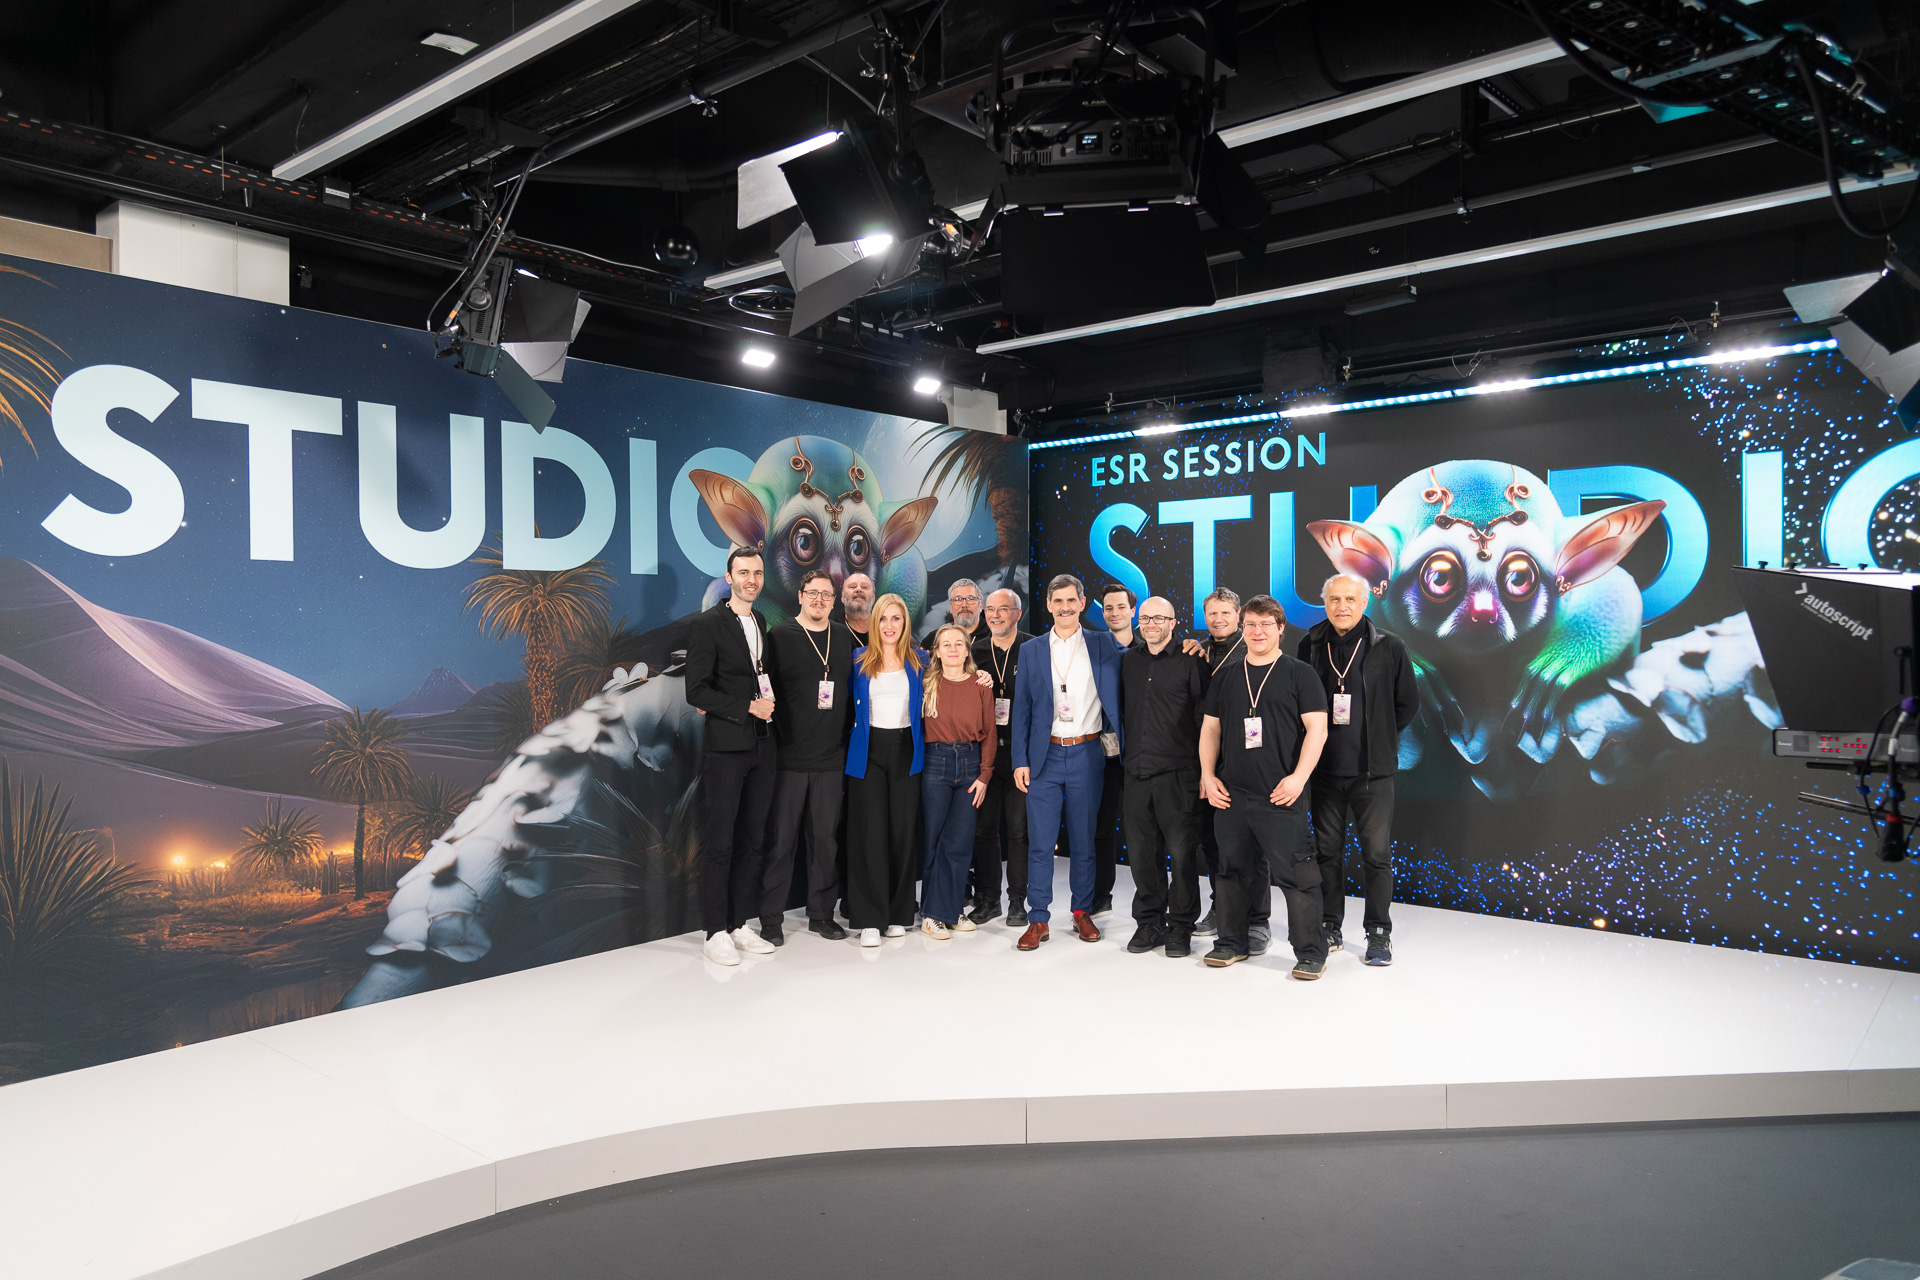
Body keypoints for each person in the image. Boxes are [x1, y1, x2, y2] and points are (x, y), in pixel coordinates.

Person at [1197, 594, 1330, 977]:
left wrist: (1298, 778)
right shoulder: (1226, 676)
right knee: (1231, 872)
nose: (1258, 632)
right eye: (1251, 625)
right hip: (1232, 795)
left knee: (1297, 876)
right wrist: (1208, 775)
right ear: (1243, 629)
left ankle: (1311, 952)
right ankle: (1231, 943)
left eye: (1266, 625)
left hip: (1281, 794)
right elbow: (1210, 729)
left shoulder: (1299, 674)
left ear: (1280, 629)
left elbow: (1318, 730)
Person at [1296, 572, 1419, 967]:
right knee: (1327, 853)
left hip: (1373, 773)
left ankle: (1378, 932)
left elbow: (1407, 703)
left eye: (1350, 599)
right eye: (1335, 599)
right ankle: (1330, 925)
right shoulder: (1310, 644)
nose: (1342, 606)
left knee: (1377, 856)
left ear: (1365, 603)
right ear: (1325, 603)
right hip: (1325, 771)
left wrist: (1381, 735)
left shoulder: (1389, 646)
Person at [1011, 574, 1124, 950]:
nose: (1064, 607)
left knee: (1083, 840)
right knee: (1041, 843)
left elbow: (1138, 656)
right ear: (1048, 604)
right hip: (1043, 757)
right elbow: (1022, 709)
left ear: (1082, 603)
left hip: (1087, 754)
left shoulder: (1102, 643)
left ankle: (1082, 911)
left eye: (1070, 600)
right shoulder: (1031, 649)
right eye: (1057, 601)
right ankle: (1038, 918)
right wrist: (1019, 760)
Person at [684, 547, 781, 966]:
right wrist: (746, 706)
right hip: (726, 748)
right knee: (721, 842)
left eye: (757, 573)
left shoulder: (760, 622)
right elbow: (696, 691)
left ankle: (739, 924)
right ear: (729, 577)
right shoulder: (707, 624)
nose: (751, 580)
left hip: (763, 746)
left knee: (753, 841)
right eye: (743, 573)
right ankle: (714, 932)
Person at [760, 569, 854, 945]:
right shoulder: (780, 637)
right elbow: (762, 688)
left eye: (826, 595)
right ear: (799, 596)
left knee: (825, 842)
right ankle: (770, 919)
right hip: (788, 758)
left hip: (831, 759)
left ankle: (821, 915)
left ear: (834, 601)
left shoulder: (843, 637)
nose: (819, 600)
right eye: (812, 593)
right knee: (781, 842)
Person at [1119, 595, 1207, 957]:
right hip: (1136, 773)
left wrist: (1204, 771)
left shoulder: (1192, 660)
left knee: (1182, 856)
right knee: (1142, 855)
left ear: (1173, 623)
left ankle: (1181, 927)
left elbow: (1205, 720)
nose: (1151, 624)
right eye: (1145, 618)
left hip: (1178, 774)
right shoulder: (1129, 661)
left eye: (1159, 618)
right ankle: (1149, 922)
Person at [844, 593, 925, 947]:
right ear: (874, 623)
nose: (889, 626)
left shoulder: (920, 660)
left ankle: (899, 914)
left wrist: (981, 676)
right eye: (883, 619)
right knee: (870, 833)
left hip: (907, 749)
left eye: (896, 618)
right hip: (868, 751)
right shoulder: (858, 660)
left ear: (905, 623)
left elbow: (956, 673)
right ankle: (869, 919)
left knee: (903, 833)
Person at [919, 624, 996, 937]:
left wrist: (985, 775)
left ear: (967, 650)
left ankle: (950, 911)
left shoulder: (981, 685)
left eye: (958, 644)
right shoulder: (926, 681)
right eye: (946, 644)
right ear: (936, 651)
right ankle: (932, 915)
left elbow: (990, 732)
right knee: (935, 840)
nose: (952, 649)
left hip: (970, 765)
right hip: (935, 763)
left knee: (960, 841)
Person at [1183, 586, 1247, 938]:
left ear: (1238, 615)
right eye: (1212, 613)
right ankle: (1219, 906)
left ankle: (1252, 917)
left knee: (1244, 844)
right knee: (1211, 840)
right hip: (1204, 761)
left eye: (1225, 612)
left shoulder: (1252, 649)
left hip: (1242, 760)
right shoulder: (1197, 651)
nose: (1218, 619)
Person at [971, 588, 1032, 927]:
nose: (995, 615)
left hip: (1021, 755)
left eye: (1003, 609)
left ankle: (1018, 901)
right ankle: (989, 899)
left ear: (1017, 614)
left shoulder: (1034, 648)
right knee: (984, 830)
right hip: (985, 754)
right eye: (990, 609)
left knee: (1019, 831)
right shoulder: (974, 651)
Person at [1092, 582, 1140, 912]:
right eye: (1108, 608)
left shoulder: (1148, 651)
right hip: (1100, 755)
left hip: (1137, 756)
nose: (1114, 613)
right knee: (1101, 829)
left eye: (1121, 607)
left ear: (1133, 611)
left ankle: (1150, 904)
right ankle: (1100, 897)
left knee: (1143, 833)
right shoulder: (1091, 650)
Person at [921, 578, 984, 646]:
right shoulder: (932, 640)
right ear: (950, 607)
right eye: (958, 599)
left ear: (980, 606)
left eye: (970, 599)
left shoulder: (992, 637)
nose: (964, 605)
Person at [841, 571, 875, 647]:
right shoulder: (832, 631)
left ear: (873, 598)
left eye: (864, 587)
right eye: (852, 587)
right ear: (842, 598)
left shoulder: (884, 628)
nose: (859, 589)